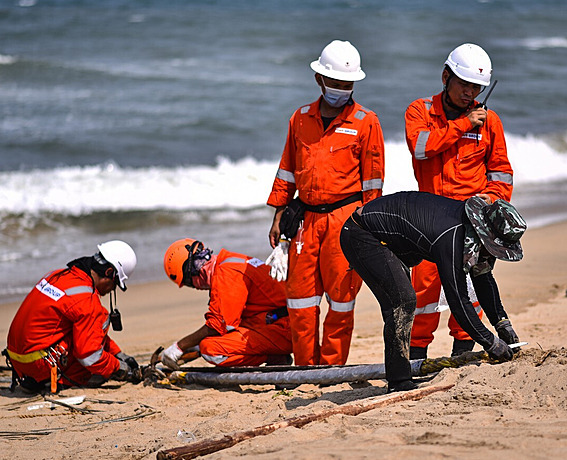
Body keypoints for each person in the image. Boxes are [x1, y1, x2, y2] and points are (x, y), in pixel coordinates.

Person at [265, 39, 385, 366]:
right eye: (335, 83)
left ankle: (331, 369)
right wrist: (278, 216)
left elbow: (374, 183)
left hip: (346, 221)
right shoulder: (300, 118)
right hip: (304, 221)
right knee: (300, 301)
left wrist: (371, 229)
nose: (341, 89)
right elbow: (287, 171)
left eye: (347, 84)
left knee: (342, 300)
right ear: (319, 79)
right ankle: (305, 369)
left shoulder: (366, 121)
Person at [340, 191, 525, 392]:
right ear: (486, 234)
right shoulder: (452, 237)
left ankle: (401, 376)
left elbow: (483, 279)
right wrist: (491, 343)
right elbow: (458, 301)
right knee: (403, 301)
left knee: (404, 300)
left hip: (393, 240)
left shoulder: (472, 230)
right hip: (361, 234)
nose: (493, 254)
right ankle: (399, 381)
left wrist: (502, 323)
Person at [404, 43, 514, 359]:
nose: (470, 93)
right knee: (423, 292)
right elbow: (421, 147)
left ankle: (463, 354)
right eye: (464, 84)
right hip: (428, 218)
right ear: (445, 77)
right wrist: (464, 124)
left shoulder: (490, 121)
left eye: (476, 87)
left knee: (468, 293)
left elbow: (501, 170)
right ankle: (416, 358)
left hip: (471, 221)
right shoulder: (420, 111)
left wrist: (491, 204)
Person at [4, 240, 140, 393]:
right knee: (97, 324)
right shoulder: (87, 300)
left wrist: (118, 354)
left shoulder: (58, 276)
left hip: (18, 359)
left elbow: (85, 331)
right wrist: (119, 367)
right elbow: (90, 356)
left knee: (85, 327)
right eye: (115, 284)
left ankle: (36, 377)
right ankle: (54, 380)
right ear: (108, 273)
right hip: (38, 365)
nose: (111, 290)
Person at [159, 239, 292, 369]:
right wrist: (192, 345)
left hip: (285, 328)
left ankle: (274, 357)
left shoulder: (226, 274)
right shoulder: (229, 261)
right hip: (281, 319)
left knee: (211, 349)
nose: (195, 288)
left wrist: (179, 347)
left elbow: (218, 326)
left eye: (189, 283)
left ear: (192, 270)